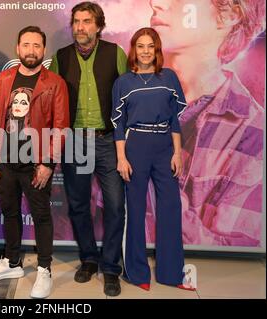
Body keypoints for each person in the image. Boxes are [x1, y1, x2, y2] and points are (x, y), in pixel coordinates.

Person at [148, 0, 265, 246]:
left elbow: (233, 252)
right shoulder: (127, 96)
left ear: (230, 14)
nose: (155, 3)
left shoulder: (252, 131)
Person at [0, 26, 69, 299]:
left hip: (36, 162)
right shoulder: (5, 78)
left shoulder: (54, 82)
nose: (31, 50)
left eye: (36, 45)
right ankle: (12, 262)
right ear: (18, 48)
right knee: (9, 211)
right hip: (7, 159)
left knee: (42, 215)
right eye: (26, 45)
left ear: (44, 50)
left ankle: (44, 268)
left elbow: (60, 125)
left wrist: (48, 163)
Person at [49, 1, 127, 296]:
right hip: (75, 141)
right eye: (76, 21)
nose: (80, 27)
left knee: (115, 206)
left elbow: (126, 96)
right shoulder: (61, 57)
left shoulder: (115, 53)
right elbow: (54, 100)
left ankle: (110, 268)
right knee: (79, 205)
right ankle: (88, 259)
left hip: (108, 140)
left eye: (86, 21)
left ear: (98, 26)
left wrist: (124, 140)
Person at [112, 27, 195, 291]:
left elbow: (175, 120)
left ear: (156, 50)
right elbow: (118, 125)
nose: (145, 51)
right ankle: (137, 273)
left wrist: (177, 153)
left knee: (170, 208)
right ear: (133, 50)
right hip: (135, 145)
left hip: (164, 147)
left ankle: (172, 273)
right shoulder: (123, 82)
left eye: (150, 46)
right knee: (135, 209)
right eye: (140, 46)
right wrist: (121, 158)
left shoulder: (168, 77)